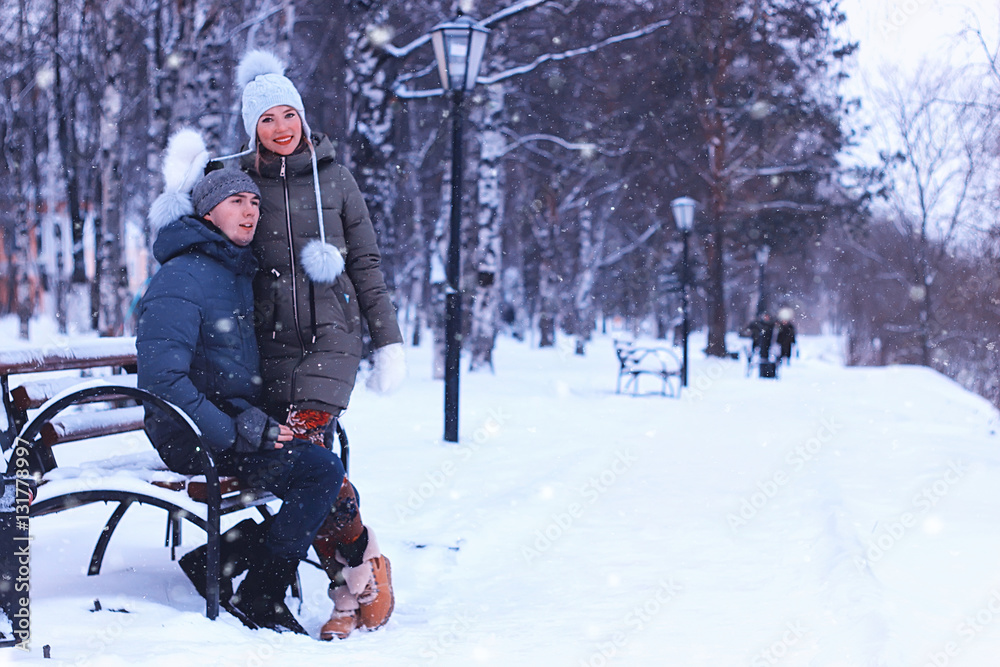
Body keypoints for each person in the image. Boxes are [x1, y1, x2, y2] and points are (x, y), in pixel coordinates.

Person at [137, 129, 345, 634]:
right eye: (236, 201)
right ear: (209, 212)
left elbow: (228, 370)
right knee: (319, 472)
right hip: (188, 433)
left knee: (320, 461)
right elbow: (162, 381)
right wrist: (237, 430)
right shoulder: (182, 277)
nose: (250, 211)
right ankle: (259, 594)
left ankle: (216, 561)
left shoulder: (231, 271)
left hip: (226, 423)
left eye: (253, 201)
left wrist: (269, 420)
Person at [234, 50, 406, 640]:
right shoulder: (241, 184)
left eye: (289, 115)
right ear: (251, 128)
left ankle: (336, 589)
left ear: (303, 119)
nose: (281, 128)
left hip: (332, 341)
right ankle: (361, 567)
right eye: (266, 120)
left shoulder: (335, 177)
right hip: (270, 346)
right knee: (315, 474)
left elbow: (366, 262)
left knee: (312, 458)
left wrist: (386, 341)